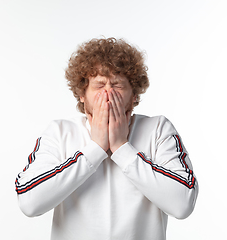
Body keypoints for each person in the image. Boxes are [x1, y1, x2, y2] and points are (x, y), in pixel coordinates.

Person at [15, 37, 198, 240]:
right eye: (99, 85)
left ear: (134, 95)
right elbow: (29, 202)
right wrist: (95, 148)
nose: (108, 93)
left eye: (118, 85)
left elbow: (183, 204)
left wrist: (121, 148)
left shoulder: (158, 129)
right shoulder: (59, 132)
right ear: (82, 94)